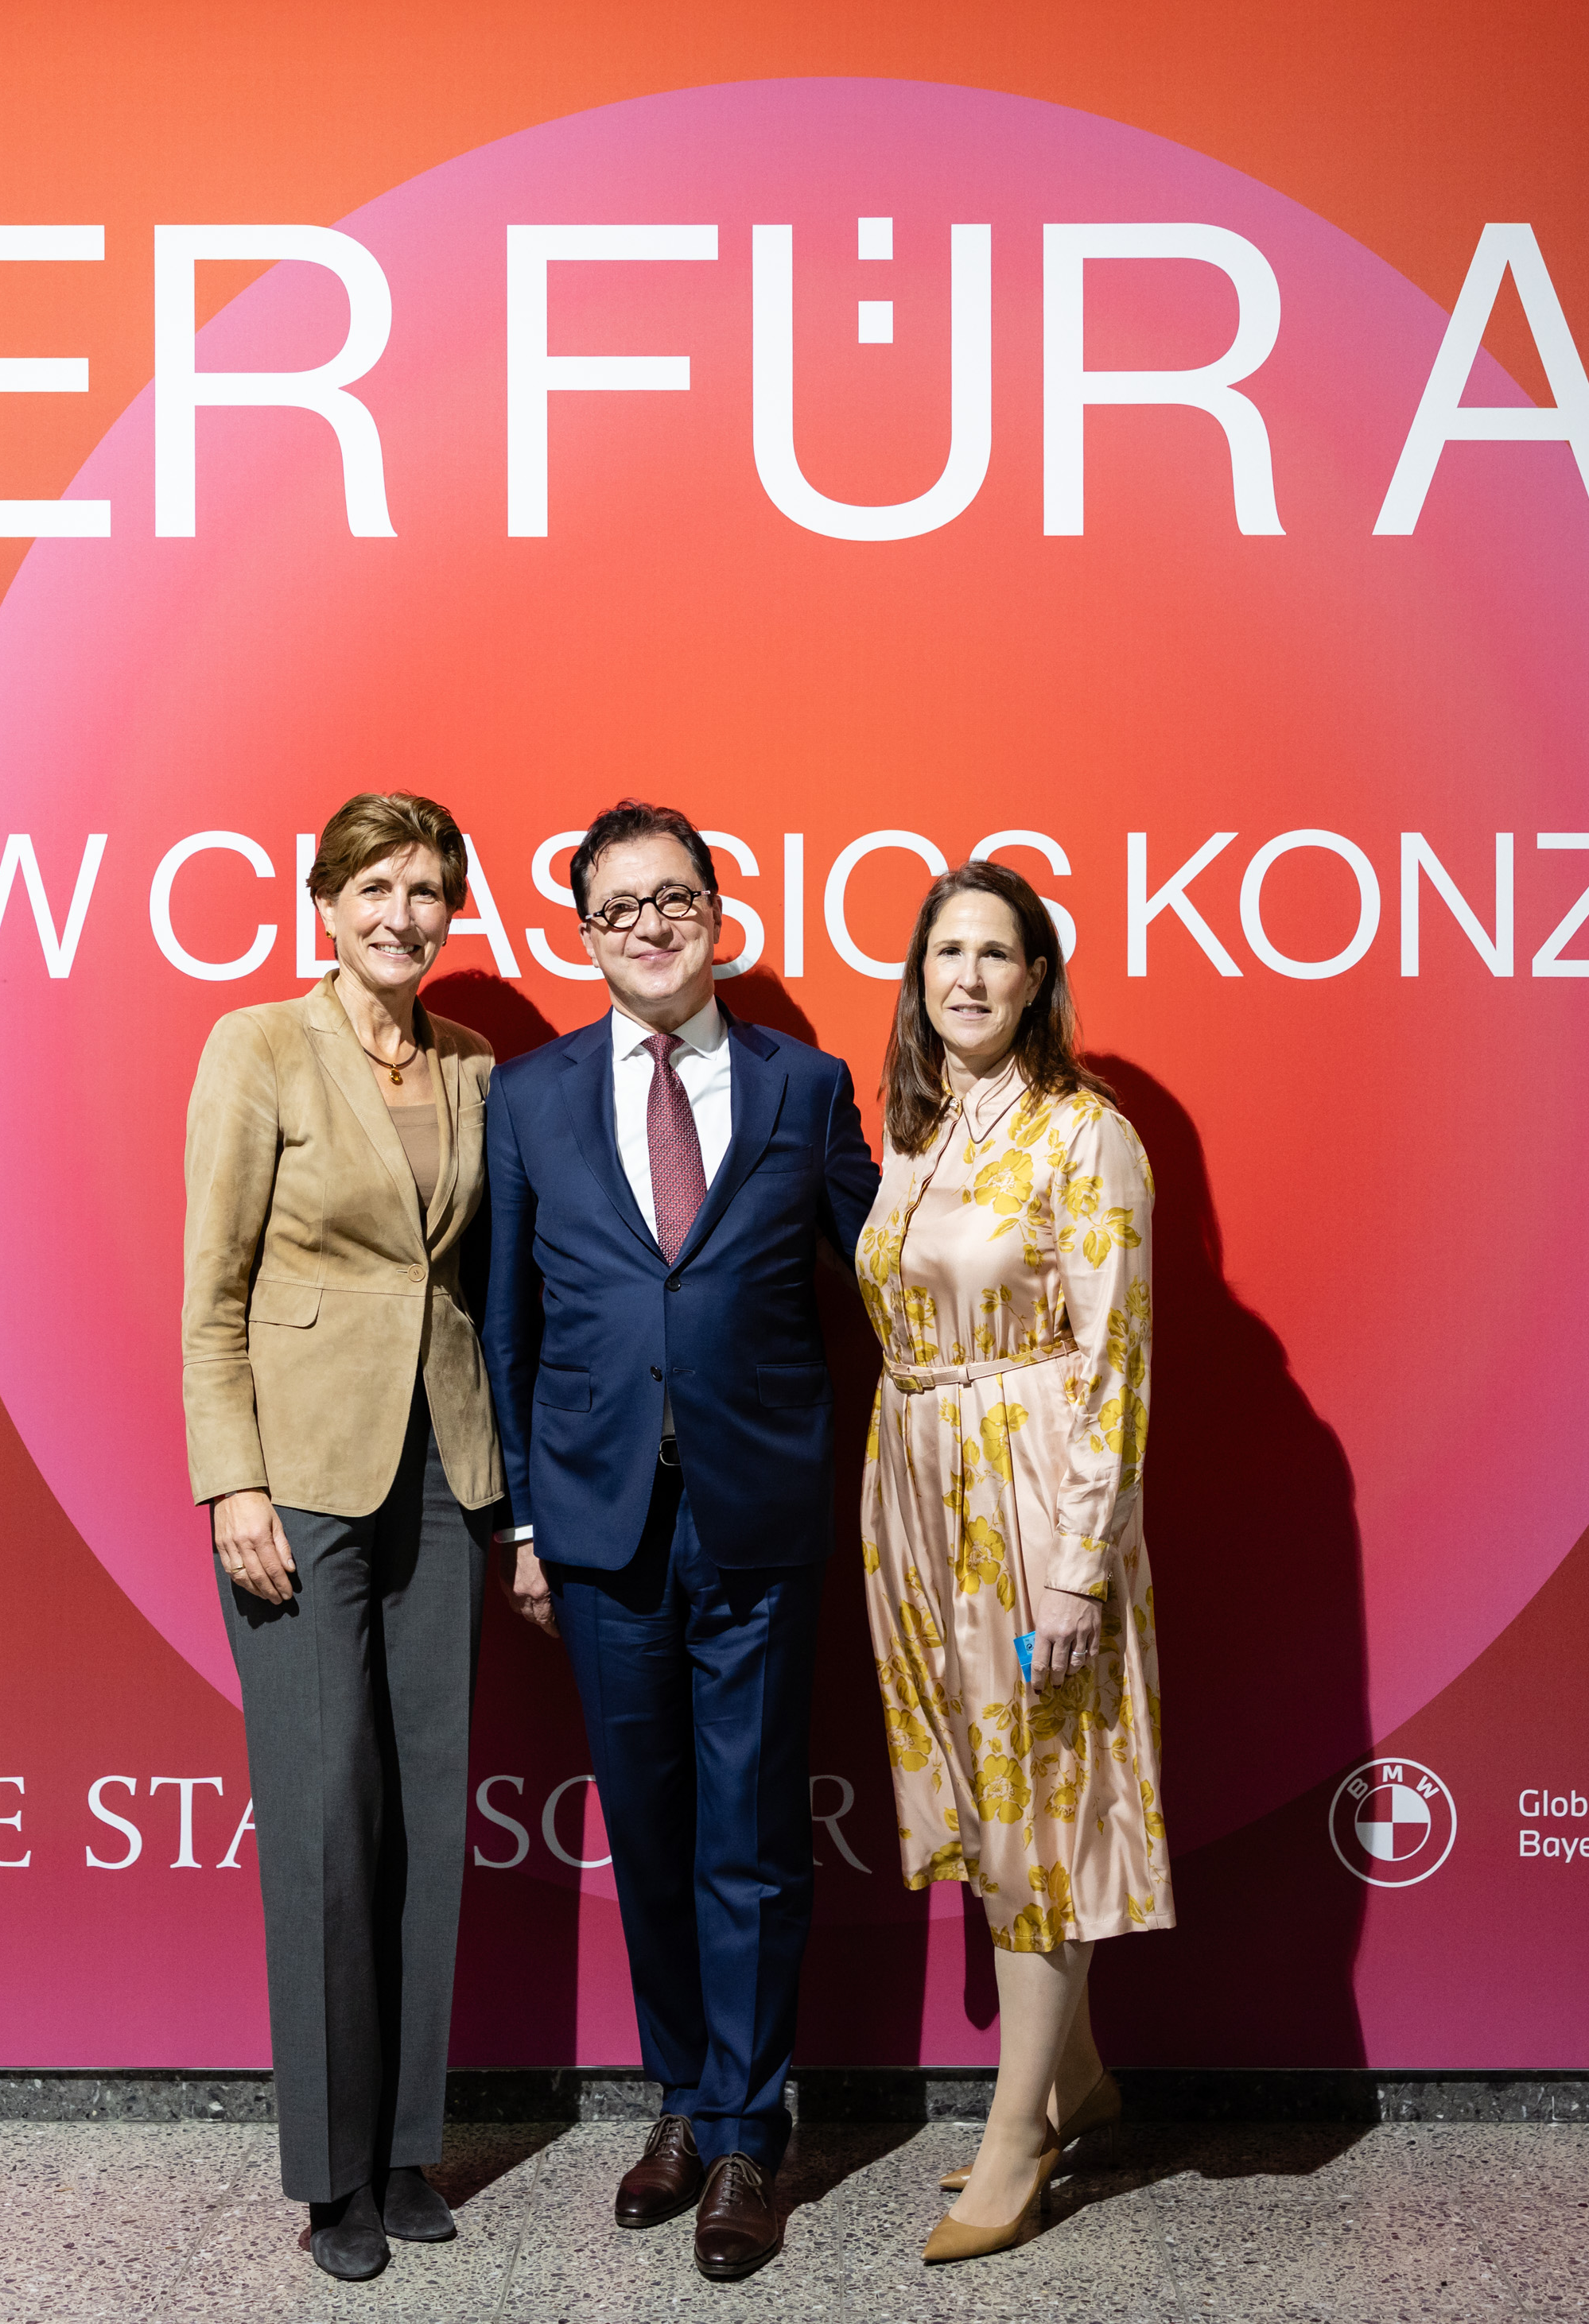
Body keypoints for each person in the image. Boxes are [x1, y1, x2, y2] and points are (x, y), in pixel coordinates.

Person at [483, 798, 881, 2284]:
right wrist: (528, 1516)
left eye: (673, 900)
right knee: (650, 1834)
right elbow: (508, 1327)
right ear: (584, 935)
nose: (648, 928)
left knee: (753, 1840)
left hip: (758, 1519)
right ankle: (685, 2099)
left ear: (717, 912)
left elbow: (889, 1270)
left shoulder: (805, 1086)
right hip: (599, 1529)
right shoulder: (528, 1098)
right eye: (618, 909)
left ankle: (750, 2135)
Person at [181, 790, 507, 2283]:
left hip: (444, 1464)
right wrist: (231, 1482)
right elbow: (213, 1288)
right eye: (374, 887)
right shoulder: (257, 1045)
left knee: (427, 1808)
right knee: (326, 1814)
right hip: (300, 1477)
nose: (402, 915)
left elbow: (484, 1284)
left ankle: (406, 2146)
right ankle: (331, 2176)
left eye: (427, 890)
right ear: (324, 905)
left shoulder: (476, 1064)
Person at [853, 860, 1170, 2265]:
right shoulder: (916, 1131)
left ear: (1038, 980)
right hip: (919, 1499)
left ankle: (1016, 2139)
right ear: (919, 980)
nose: (968, 977)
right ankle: (1078, 2077)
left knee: (1040, 1801)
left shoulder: (1087, 1135)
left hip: (1035, 1506)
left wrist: (1079, 1569)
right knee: (989, 1800)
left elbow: (1116, 1366)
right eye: (947, 954)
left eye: (997, 953)